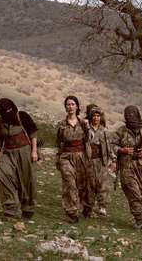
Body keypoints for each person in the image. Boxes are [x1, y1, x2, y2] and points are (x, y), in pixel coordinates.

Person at [112, 105, 142, 229]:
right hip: (127, 167)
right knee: (134, 194)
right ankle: (138, 220)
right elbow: (112, 145)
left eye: (133, 115)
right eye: (128, 115)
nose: (131, 117)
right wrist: (122, 150)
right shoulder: (121, 131)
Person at [0, 98, 40, 219]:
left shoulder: (22, 116)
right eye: (4, 111)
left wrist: (34, 151)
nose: (8, 112)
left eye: (9, 109)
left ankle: (28, 209)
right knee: (5, 176)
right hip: (8, 153)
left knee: (27, 180)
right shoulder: (0, 122)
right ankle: (10, 208)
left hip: (24, 151)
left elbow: (33, 133)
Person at [55, 95, 93, 223]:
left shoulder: (83, 123)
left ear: (77, 106)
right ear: (65, 107)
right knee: (69, 183)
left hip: (81, 156)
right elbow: (59, 142)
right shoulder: (61, 124)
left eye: (72, 104)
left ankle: (82, 206)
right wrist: (58, 158)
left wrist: (88, 127)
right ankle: (72, 212)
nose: (70, 107)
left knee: (80, 185)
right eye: (68, 104)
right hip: (66, 156)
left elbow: (89, 138)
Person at [86, 103, 116, 216]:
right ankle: (89, 205)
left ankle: (102, 205)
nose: (96, 118)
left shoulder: (104, 131)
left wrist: (113, 160)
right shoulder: (86, 129)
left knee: (103, 183)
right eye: (94, 116)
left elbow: (109, 146)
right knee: (90, 183)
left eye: (98, 116)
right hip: (88, 160)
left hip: (101, 160)